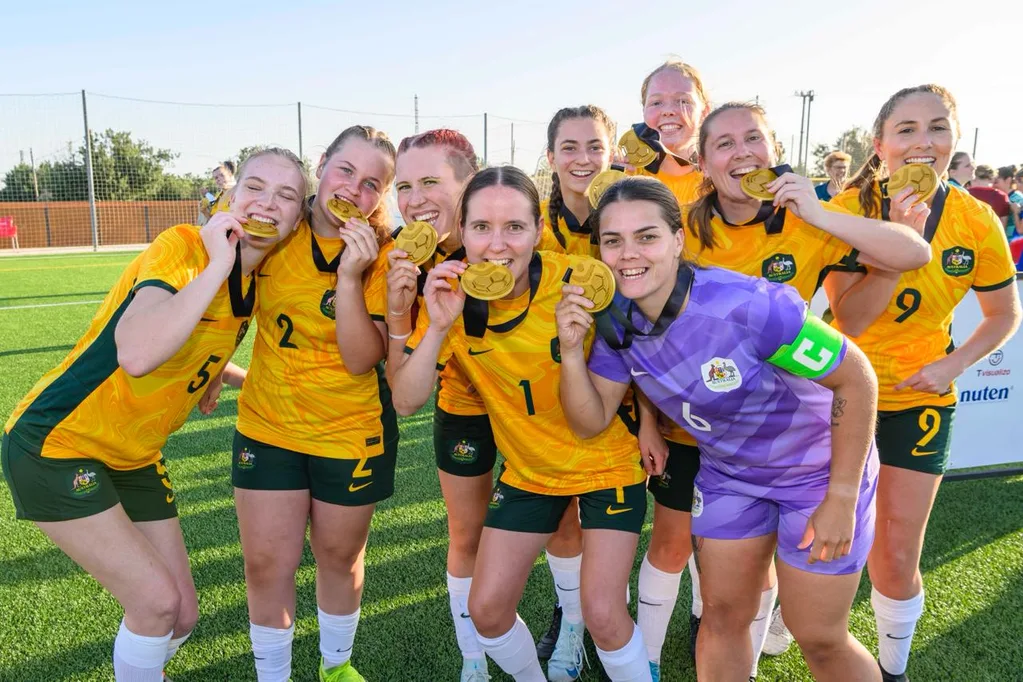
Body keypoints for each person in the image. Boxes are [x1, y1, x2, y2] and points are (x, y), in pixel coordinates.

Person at [557, 175, 883, 682]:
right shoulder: (616, 323)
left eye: (646, 236)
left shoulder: (748, 305)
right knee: (722, 618)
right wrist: (573, 353)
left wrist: (841, 493)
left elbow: (856, 379)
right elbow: (590, 419)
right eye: (612, 240)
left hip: (816, 473)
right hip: (730, 476)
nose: (627, 254)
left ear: (677, 240)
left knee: (817, 635)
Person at [1, 148, 307, 682]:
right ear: (230, 197)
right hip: (58, 441)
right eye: (255, 186)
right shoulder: (186, 247)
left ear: (298, 218)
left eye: (287, 195)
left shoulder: (258, 281)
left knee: (183, 616)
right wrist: (217, 263)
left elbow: (201, 338)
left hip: (134, 454)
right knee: (156, 605)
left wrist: (224, 375)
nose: (267, 202)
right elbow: (138, 354)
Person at [653, 100, 932, 675]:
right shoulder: (682, 227)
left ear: (773, 150)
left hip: (808, 441)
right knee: (721, 612)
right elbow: (640, 327)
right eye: (724, 144)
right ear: (703, 162)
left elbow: (913, 253)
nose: (742, 153)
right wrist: (645, 423)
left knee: (820, 637)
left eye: (753, 139)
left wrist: (819, 211)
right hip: (723, 452)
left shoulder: (807, 218)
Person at [391, 166, 655, 682]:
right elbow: (405, 400)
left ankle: (593, 638)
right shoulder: (451, 296)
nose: (496, 246)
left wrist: (647, 422)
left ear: (538, 231)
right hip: (531, 471)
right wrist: (435, 327)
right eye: (482, 228)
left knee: (605, 614)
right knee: (487, 613)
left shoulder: (579, 279)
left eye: (514, 227)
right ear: (461, 233)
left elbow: (638, 354)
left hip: (606, 461)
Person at [824, 84, 1022, 682]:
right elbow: (849, 319)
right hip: (838, 394)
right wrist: (894, 242)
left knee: (896, 553)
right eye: (906, 130)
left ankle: (893, 668)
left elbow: (1003, 315)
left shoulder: (976, 218)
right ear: (880, 144)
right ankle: (788, 624)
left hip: (920, 400)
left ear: (954, 140)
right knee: (822, 538)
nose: (922, 142)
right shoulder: (850, 206)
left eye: (937, 128)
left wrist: (952, 365)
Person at [225, 126, 396, 682]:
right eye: (345, 170)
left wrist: (350, 277)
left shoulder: (384, 255)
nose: (353, 189)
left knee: (338, 560)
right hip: (267, 426)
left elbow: (361, 358)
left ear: (382, 197)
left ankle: (336, 668)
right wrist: (216, 368)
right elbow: (229, 301)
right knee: (267, 564)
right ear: (321, 166)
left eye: (372, 184)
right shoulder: (273, 231)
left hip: (350, 433)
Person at [383, 128, 496, 682]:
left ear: (468, 182)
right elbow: (401, 389)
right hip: (462, 405)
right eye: (404, 186)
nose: (416, 199)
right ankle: (472, 657)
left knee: (564, 528)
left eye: (431, 182)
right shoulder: (398, 258)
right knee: (466, 533)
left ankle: (572, 628)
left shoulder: (511, 235)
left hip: (533, 409)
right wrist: (399, 310)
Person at [968, 164, 1011, 230]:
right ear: (992, 178)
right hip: (991, 237)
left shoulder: (964, 193)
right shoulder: (1002, 196)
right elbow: (1002, 227)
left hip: (966, 236)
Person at [199, 160, 238, 225]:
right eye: (216, 178)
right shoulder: (218, 197)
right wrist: (204, 211)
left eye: (222, 175)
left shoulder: (239, 194)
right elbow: (214, 222)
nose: (219, 179)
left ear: (230, 174)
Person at [993, 165, 1023, 238]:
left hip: (1014, 244)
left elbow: (1020, 229)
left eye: (996, 182)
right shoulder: (996, 198)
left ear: (1008, 180)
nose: (993, 185)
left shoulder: (1019, 199)